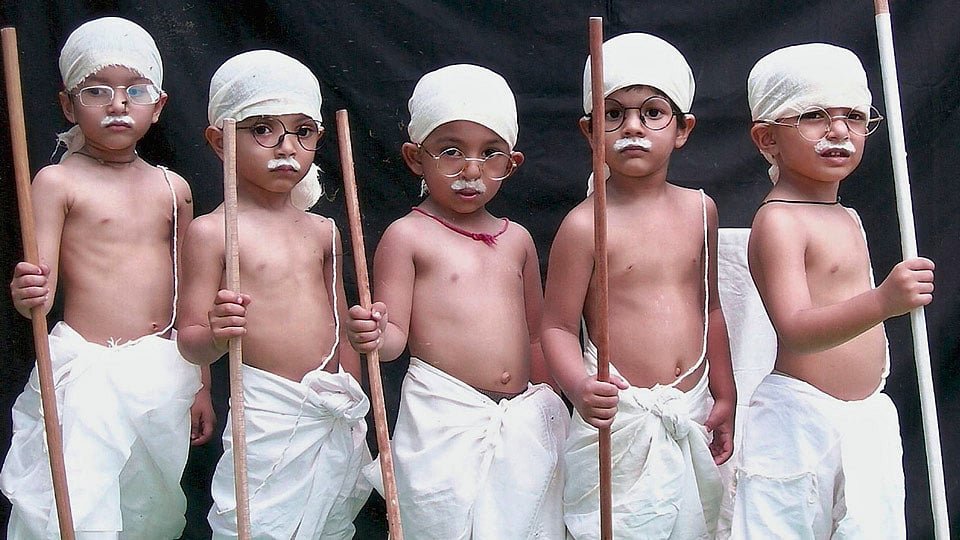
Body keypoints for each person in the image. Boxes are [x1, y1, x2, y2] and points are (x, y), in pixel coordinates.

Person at [1, 17, 213, 538]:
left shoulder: (173, 189)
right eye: (97, 91)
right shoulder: (57, 181)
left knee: (149, 500)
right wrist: (26, 290)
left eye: (134, 91)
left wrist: (202, 387)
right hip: (86, 368)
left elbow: (192, 298)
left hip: (160, 369)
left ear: (158, 106)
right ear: (69, 105)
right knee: (75, 500)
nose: (117, 104)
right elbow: (39, 285)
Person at [345, 63, 569, 539]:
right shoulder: (407, 236)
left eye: (490, 155)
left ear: (512, 163)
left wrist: (549, 410)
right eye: (451, 152)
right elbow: (394, 340)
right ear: (414, 158)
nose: (472, 170)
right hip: (444, 424)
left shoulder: (519, 240)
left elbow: (535, 335)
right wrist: (374, 333)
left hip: (519, 423)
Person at [729, 43, 935, 539]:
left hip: (863, 418)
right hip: (798, 422)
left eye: (853, 116)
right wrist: (884, 302)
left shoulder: (846, 216)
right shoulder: (778, 221)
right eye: (814, 116)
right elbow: (797, 329)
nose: (839, 130)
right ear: (767, 138)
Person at [541, 32, 736, 539]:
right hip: (619, 418)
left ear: (683, 128)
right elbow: (557, 328)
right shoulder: (584, 226)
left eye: (652, 113)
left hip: (689, 405)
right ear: (590, 131)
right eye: (613, 114)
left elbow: (709, 307)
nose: (632, 128)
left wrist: (726, 392)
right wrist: (581, 388)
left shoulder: (701, 209)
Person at [176, 49, 371, 539]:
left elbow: (340, 321)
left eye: (303, 131)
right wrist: (217, 335)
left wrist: (354, 384)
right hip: (267, 413)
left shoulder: (324, 231)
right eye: (263, 129)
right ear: (220, 141)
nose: (287, 147)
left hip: (331, 406)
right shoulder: (212, 232)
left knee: (331, 522)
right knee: (258, 524)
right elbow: (189, 339)